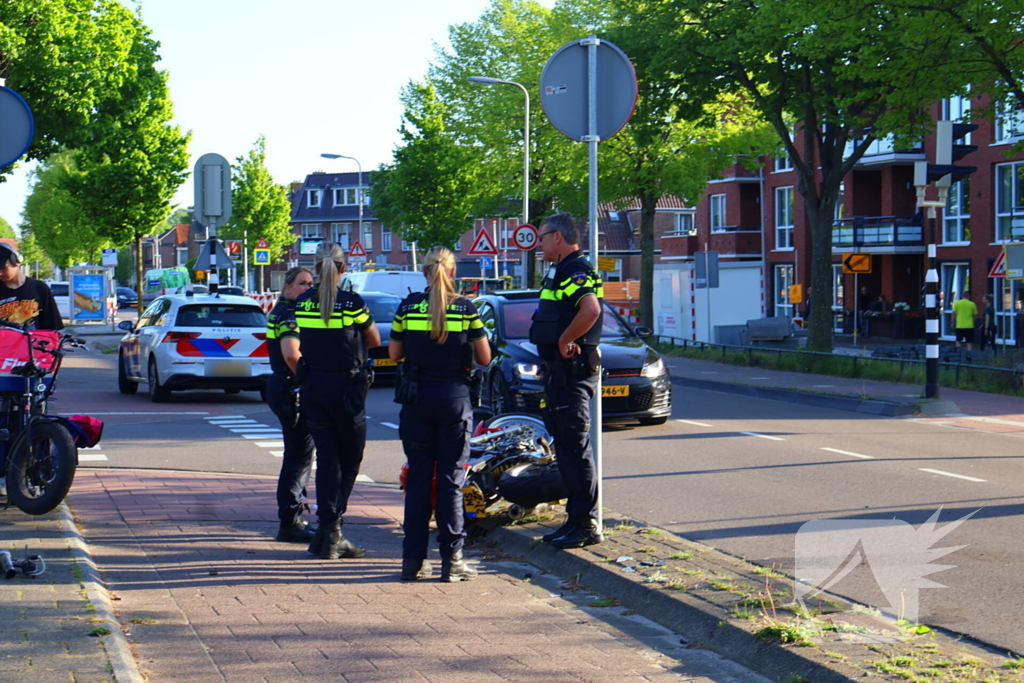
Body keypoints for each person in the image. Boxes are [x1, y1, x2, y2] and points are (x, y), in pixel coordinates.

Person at [390, 246, 491, 582]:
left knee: (418, 481)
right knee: (450, 481)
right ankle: (453, 561)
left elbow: (394, 353)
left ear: (424, 273)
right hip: (454, 400)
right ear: (451, 272)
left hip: (417, 401)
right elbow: (485, 357)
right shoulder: (465, 307)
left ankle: (412, 562)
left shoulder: (407, 306)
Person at [294, 243, 380, 560]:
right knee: (351, 459)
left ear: (316, 268)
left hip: (314, 386)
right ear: (343, 268)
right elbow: (374, 340)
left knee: (327, 460)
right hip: (346, 389)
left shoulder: (303, 302)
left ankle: (327, 533)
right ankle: (332, 531)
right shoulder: (351, 303)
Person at [529, 212, 605, 550]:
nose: (539, 243)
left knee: (575, 447)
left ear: (557, 237)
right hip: (560, 370)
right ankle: (574, 520)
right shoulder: (561, 270)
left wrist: (564, 341)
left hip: (572, 370)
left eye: (542, 236)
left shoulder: (574, 269)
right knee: (567, 448)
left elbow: (590, 309)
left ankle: (585, 524)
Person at [265, 267, 316, 543]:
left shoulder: (280, 311)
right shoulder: (291, 314)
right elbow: (290, 352)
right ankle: (291, 521)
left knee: (297, 454)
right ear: (287, 288)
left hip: (281, 386)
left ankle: (294, 516)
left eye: (310, 283)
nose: (307, 288)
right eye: (301, 284)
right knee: (299, 456)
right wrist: (308, 380)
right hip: (290, 388)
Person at [0, 244, 63, 330]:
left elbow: (53, 327)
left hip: (34, 342)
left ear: (15, 261)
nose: (0, 273)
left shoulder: (40, 288)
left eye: (3, 268)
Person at [952, 291, 978, 358]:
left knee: (958, 340)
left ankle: (959, 354)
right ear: (969, 296)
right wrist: (974, 324)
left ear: (962, 296)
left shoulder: (957, 303)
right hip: (969, 326)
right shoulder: (972, 304)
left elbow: (953, 314)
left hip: (960, 325)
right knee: (969, 342)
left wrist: (952, 323)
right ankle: (969, 355)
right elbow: (974, 316)